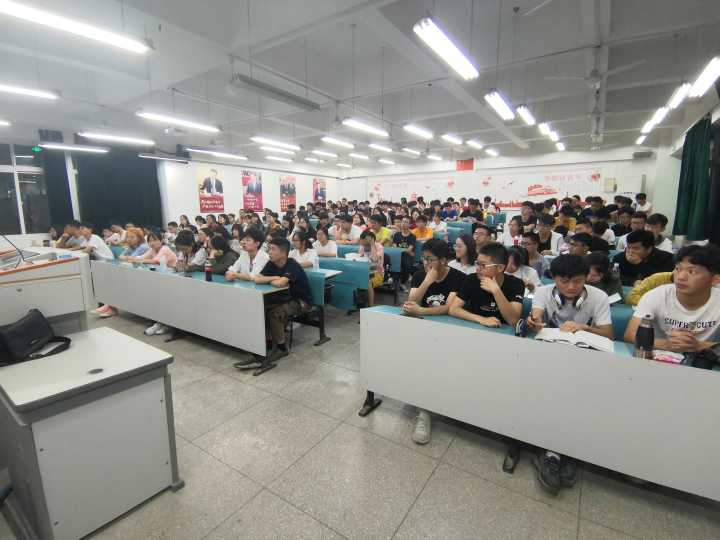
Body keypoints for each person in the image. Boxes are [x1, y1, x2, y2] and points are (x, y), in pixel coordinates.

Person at [525, 254, 613, 495]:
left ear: (586, 278)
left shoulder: (598, 297)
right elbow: (537, 315)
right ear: (554, 279)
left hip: (585, 361)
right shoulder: (544, 292)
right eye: (564, 281)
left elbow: (608, 333)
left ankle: (566, 450)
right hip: (550, 359)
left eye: (578, 281)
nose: (572, 287)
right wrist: (534, 321)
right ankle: (552, 452)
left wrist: (583, 327)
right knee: (550, 397)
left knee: (580, 400)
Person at [403, 238, 466, 445]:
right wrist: (427, 281)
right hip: (423, 332)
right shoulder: (420, 275)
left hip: (450, 332)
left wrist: (422, 310)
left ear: (444, 260)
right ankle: (424, 412)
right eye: (424, 258)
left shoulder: (458, 277)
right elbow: (410, 303)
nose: (426, 263)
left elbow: (449, 308)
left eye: (430, 259)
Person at [624, 244, 720, 352]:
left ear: (715, 280)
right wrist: (666, 344)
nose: (681, 277)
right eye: (678, 269)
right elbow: (630, 335)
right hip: (658, 357)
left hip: (702, 359)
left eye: (691, 272)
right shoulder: (657, 295)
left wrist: (698, 345)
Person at [238, 237, 313, 368]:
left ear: (283, 253)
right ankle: (264, 346)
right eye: (269, 249)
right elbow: (257, 279)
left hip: (300, 301)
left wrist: (273, 280)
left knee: (275, 313)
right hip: (283, 298)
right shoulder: (272, 263)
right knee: (259, 309)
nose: (269, 252)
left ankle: (281, 348)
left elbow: (280, 284)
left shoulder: (292, 265)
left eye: (273, 249)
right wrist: (274, 277)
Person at [449, 243, 524, 327]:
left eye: (483, 265)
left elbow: (513, 321)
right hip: (476, 328)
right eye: (477, 263)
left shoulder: (516, 284)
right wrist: (482, 319)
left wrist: (496, 291)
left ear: (500, 268)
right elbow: (453, 309)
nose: (477, 268)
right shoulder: (472, 279)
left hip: (503, 331)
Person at [359, 230, 384, 307]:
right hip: (364, 271)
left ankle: (370, 306)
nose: (364, 246)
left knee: (368, 281)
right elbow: (360, 259)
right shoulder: (362, 246)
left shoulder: (379, 247)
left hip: (377, 273)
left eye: (366, 244)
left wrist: (372, 244)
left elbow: (374, 259)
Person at [393, 216, 417, 291]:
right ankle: (394, 281)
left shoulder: (412, 236)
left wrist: (400, 249)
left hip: (407, 256)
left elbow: (409, 250)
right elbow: (394, 247)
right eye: (403, 221)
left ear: (410, 225)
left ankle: (402, 282)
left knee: (406, 264)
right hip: (398, 255)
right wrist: (403, 250)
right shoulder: (397, 235)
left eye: (406, 222)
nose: (403, 223)